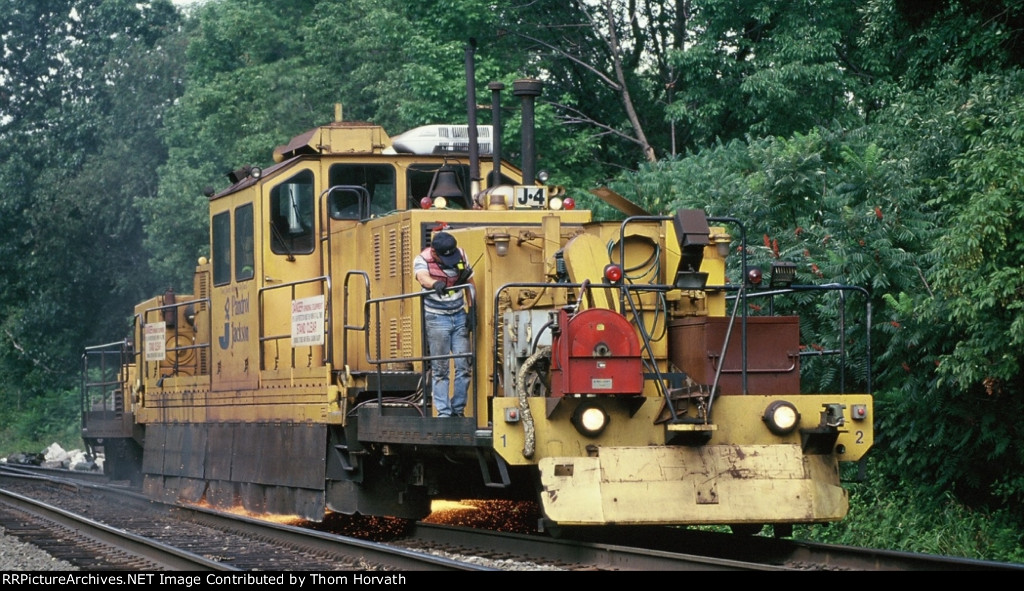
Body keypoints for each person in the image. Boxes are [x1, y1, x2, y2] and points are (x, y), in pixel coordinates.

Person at [414, 231, 474, 417]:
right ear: (434, 252)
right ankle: (444, 412)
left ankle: (458, 409)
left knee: (464, 365)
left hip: (458, 315)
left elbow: (470, 282)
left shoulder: (461, 255)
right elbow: (422, 276)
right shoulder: (422, 259)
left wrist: (472, 309)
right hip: (436, 317)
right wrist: (435, 284)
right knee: (440, 368)